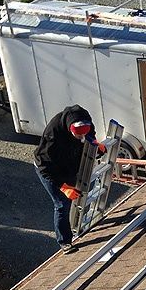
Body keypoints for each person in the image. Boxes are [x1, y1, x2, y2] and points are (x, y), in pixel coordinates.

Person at [33, 105, 98, 254]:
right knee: (62, 204)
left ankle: (76, 225)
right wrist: (63, 187)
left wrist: (94, 142)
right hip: (49, 170)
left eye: (83, 135)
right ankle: (65, 242)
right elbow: (45, 167)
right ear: (70, 129)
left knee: (75, 196)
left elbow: (89, 134)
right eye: (78, 136)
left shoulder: (85, 119)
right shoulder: (53, 134)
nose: (81, 139)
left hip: (67, 164)